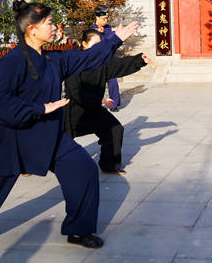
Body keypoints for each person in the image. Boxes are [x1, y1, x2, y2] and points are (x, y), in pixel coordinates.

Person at [0, 1, 139, 260]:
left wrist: (115, 39)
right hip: (13, 139)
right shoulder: (12, 62)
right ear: (31, 29)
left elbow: (86, 58)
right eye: (49, 23)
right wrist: (40, 108)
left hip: (50, 136)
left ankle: (79, 229)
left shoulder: (53, 60)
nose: (54, 28)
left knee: (83, 169)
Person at [64, 29, 151, 174]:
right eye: (96, 44)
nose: (100, 48)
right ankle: (27, 164)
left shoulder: (102, 63)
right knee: (55, 142)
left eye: (101, 44)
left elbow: (119, 65)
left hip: (94, 110)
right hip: (74, 112)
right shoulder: (74, 62)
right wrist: (100, 100)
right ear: (84, 44)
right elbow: (74, 91)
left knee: (114, 129)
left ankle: (109, 165)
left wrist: (139, 60)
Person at [92, 5, 121, 110]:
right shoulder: (93, 31)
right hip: (98, 61)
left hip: (109, 59)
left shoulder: (108, 28)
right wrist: (111, 34)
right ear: (97, 18)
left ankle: (114, 104)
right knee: (97, 85)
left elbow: (112, 42)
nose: (106, 20)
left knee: (113, 82)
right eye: (103, 19)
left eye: (106, 18)